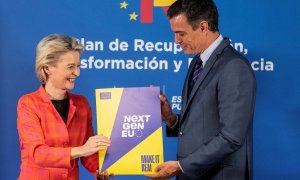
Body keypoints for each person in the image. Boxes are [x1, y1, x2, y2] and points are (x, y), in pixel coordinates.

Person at [145, 0, 256, 179]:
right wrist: (172, 119)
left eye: (181, 33)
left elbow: (231, 137)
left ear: (203, 27)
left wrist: (182, 165)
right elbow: (203, 125)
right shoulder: (198, 61)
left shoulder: (234, 67)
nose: (176, 40)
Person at [17, 34, 112, 180]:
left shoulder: (82, 104)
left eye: (78, 66)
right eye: (70, 67)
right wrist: (81, 150)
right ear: (47, 68)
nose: (77, 73)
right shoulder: (28, 103)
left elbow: (88, 154)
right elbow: (37, 153)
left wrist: (100, 170)